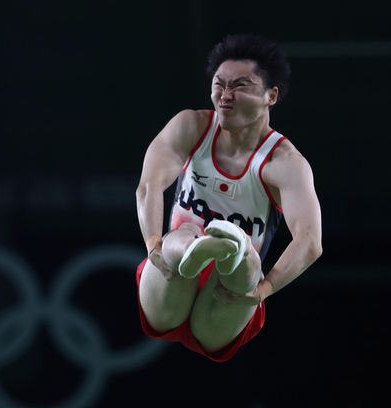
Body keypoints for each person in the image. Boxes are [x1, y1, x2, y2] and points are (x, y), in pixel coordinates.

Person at [135, 33, 323, 362]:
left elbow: (309, 241)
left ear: (271, 95)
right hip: (171, 278)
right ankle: (203, 247)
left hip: (225, 300)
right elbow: (149, 186)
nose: (225, 96)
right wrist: (153, 244)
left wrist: (264, 290)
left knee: (245, 264)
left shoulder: (285, 164)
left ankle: (230, 247)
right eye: (219, 85)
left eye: (240, 86)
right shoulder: (191, 127)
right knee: (182, 235)